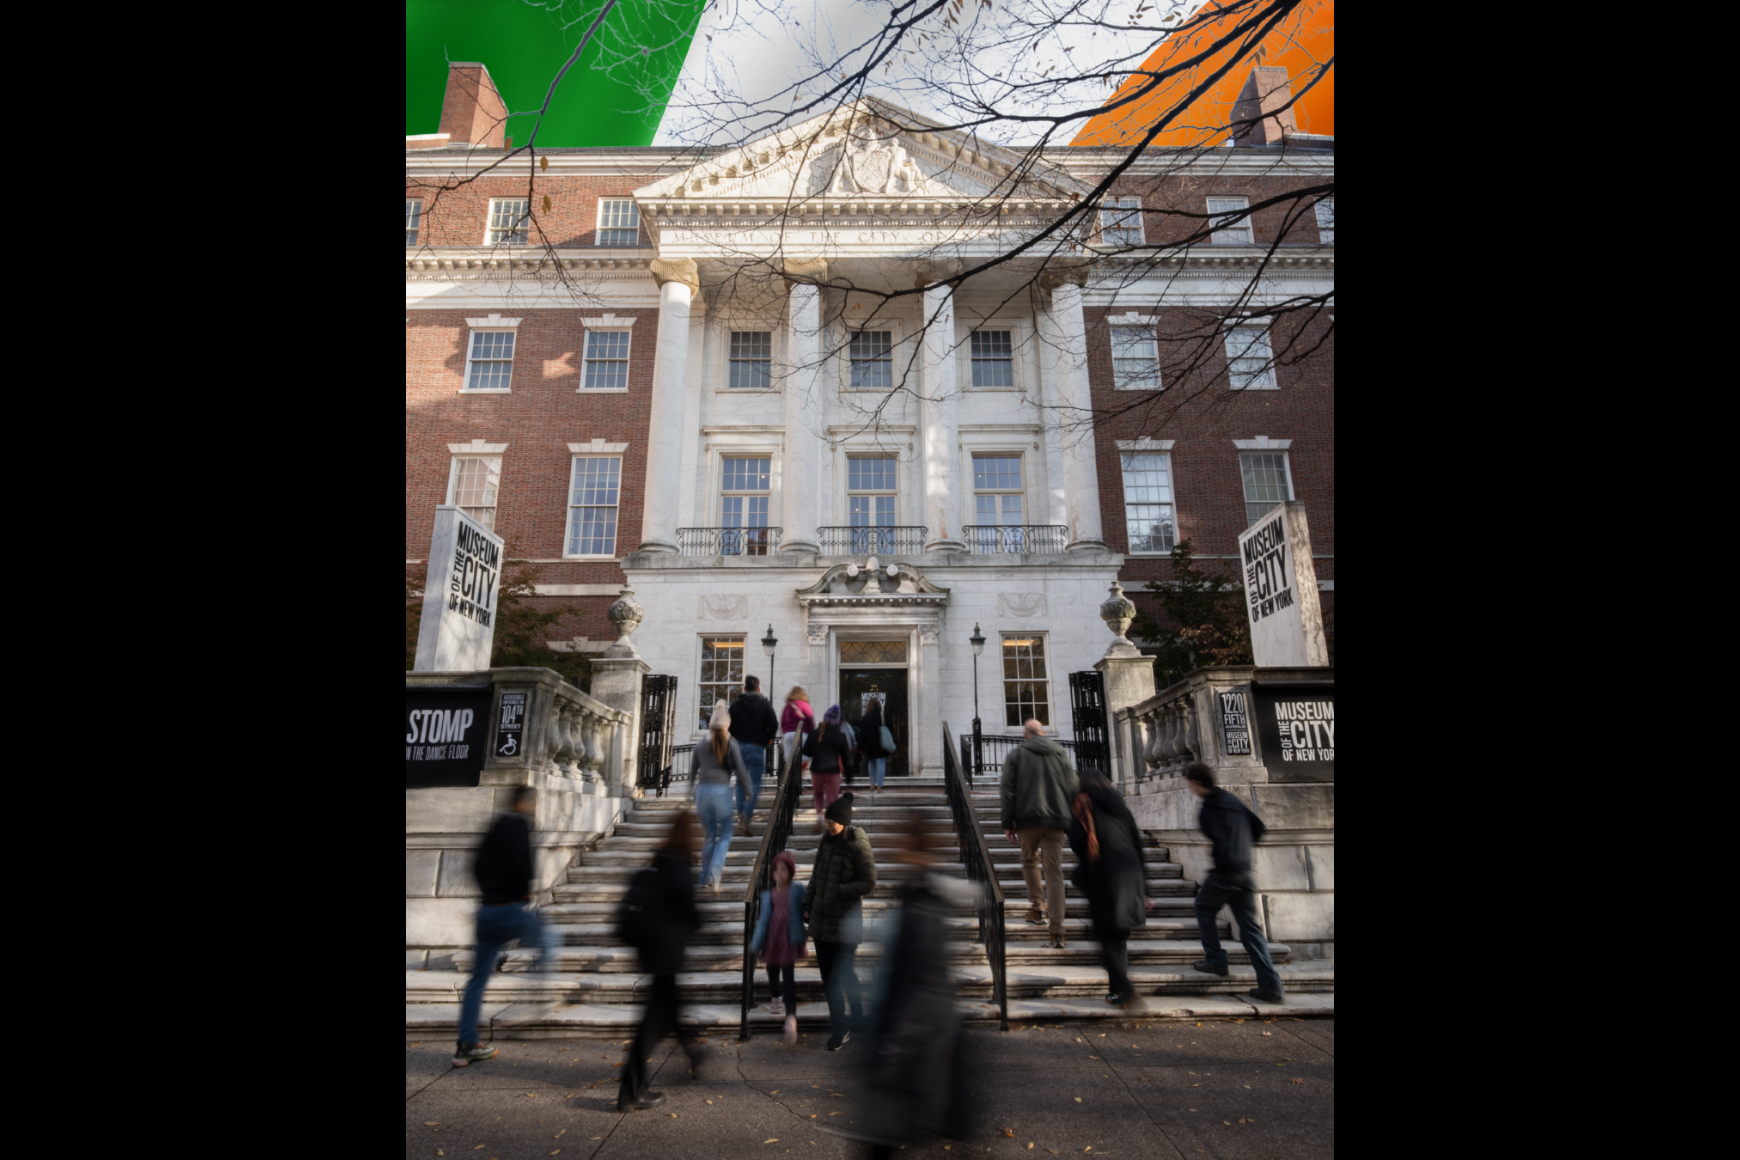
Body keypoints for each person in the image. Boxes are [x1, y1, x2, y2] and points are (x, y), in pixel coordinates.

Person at [856, 812, 978, 1158]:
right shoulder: (919, 891)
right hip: (914, 1030)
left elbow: (919, 977)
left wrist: (892, 1040)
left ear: (913, 846)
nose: (892, 848)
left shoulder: (924, 898)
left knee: (888, 1134)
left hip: (913, 1033)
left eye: (900, 842)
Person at [454, 785, 561, 1066]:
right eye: (533, 803)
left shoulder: (492, 829)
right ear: (523, 803)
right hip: (511, 910)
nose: (534, 808)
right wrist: (523, 892)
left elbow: (475, 866)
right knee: (551, 940)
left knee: (477, 979)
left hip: (486, 912)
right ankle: (536, 1000)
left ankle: (466, 1045)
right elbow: (523, 865)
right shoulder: (519, 826)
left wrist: (490, 892)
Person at [617, 809, 705, 1110]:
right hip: (667, 955)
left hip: (655, 954)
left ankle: (693, 1053)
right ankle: (631, 1092)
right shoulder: (680, 866)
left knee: (669, 1011)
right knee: (650, 1028)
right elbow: (690, 914)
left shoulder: (661, 860)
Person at [1184, 763, 1285, 1004]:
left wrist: (1228, 849)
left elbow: (1216, 836)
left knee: (1203, 907)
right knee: (1250, 929)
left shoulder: (1209, 807)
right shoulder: (1231, 799)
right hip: (1244, 870)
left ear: (1197, 783)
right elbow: (1258, 828)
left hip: (1225, 871)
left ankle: (1216, 960)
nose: (1191, 789)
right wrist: (1242, 848)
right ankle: (1271, 986)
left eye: (1190, 785)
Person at [1068, 768, 1152, 1010]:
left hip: (1105, 874)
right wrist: (1146, 889)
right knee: (1119, 936)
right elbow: (1137, 843)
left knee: (1105, 936)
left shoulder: (1082, 804)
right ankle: (1117, 991)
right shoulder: (1120, 805)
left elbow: (1077, 840)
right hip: (1131, 872)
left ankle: (1126, 988)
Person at [999, 718, 1080, 948]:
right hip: (1056, 820)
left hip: (1027, 820)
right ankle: (1057, 931)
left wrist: (1008, 822)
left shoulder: (1017, 755)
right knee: (1054, 873)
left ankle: (1038, 908)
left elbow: (1007, 790)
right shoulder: (1060, 753)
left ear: (1026, 735)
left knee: (1029, 862)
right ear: (1043, 733)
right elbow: (1073, 786)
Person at [803, 792, 876, 1050]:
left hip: (846, 922)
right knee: (830, 977)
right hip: (822, 921)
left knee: (841, 977)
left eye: (831, 821)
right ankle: (846, 1024)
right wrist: (807, 902)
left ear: (843, 821)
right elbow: (816, 876)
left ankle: (847, 1025)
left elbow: (869, 882)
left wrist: (839, 891)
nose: (827, 824)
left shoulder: (857, 843)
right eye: (825, 819)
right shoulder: (826, 840)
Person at [748, 849, 807, 1045]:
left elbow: (806, 906)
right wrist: (757, 941)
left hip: (788, 938)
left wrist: (807, 914)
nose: (779, 873)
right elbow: (763, 921)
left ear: (790, 872)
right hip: (773, 938)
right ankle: (775, 996)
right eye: (776, 870)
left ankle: (791, 1017)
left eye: (784, 869)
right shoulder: (768, 895)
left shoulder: (797, 890)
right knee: (772, 970)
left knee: (788, 976)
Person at [693, 701, 747, 891]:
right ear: (727, 726)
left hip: (702, 792)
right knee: (725, 834)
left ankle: (704, 877)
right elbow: (741, 770)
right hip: (721, 790)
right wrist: (748, 792)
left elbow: (693, 773)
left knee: (709, 836)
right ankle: (713, 874)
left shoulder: (700, 745)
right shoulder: (730, 743)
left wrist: (688, 796)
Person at [728, 675, 781, 837]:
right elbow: (774, 724)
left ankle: (741, 812)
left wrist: (734, 739)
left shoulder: (735, 706)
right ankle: (746, 815)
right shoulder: (764, 704)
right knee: (756, 783)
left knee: (739, 782)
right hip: (756, 747)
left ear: (744, 688)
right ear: (758, 689)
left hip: (737, 747)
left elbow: (728, 726)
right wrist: (768, 739)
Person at [803, 705, 854, 820]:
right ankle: (830, 820)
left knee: (818, 794)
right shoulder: (840, 735)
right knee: (832, 798)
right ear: (837, 720)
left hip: (816, 771)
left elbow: (806, 751)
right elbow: (847, 759)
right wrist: (849, 779)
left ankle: (819, 816)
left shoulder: (814, 733)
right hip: (832, 771)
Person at [781, 686, 816, 783]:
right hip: (802, 733)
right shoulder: (805, 705)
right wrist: (813, 735)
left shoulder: (787, 706)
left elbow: (783, 722)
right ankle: (799, 778)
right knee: (806, 757)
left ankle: (790, 780)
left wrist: (784, 735)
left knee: (789, 760)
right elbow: (810, 722)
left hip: (788, 734)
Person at [859, 696, 890, 791]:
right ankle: (879, 785)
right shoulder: (883, 715)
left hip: (870, 744)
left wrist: (860, 747)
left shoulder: (865, 717)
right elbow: (891, 728)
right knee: (881, 763)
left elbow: (861, 734)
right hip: (881, 743)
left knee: (871, 763)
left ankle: (872, 783)